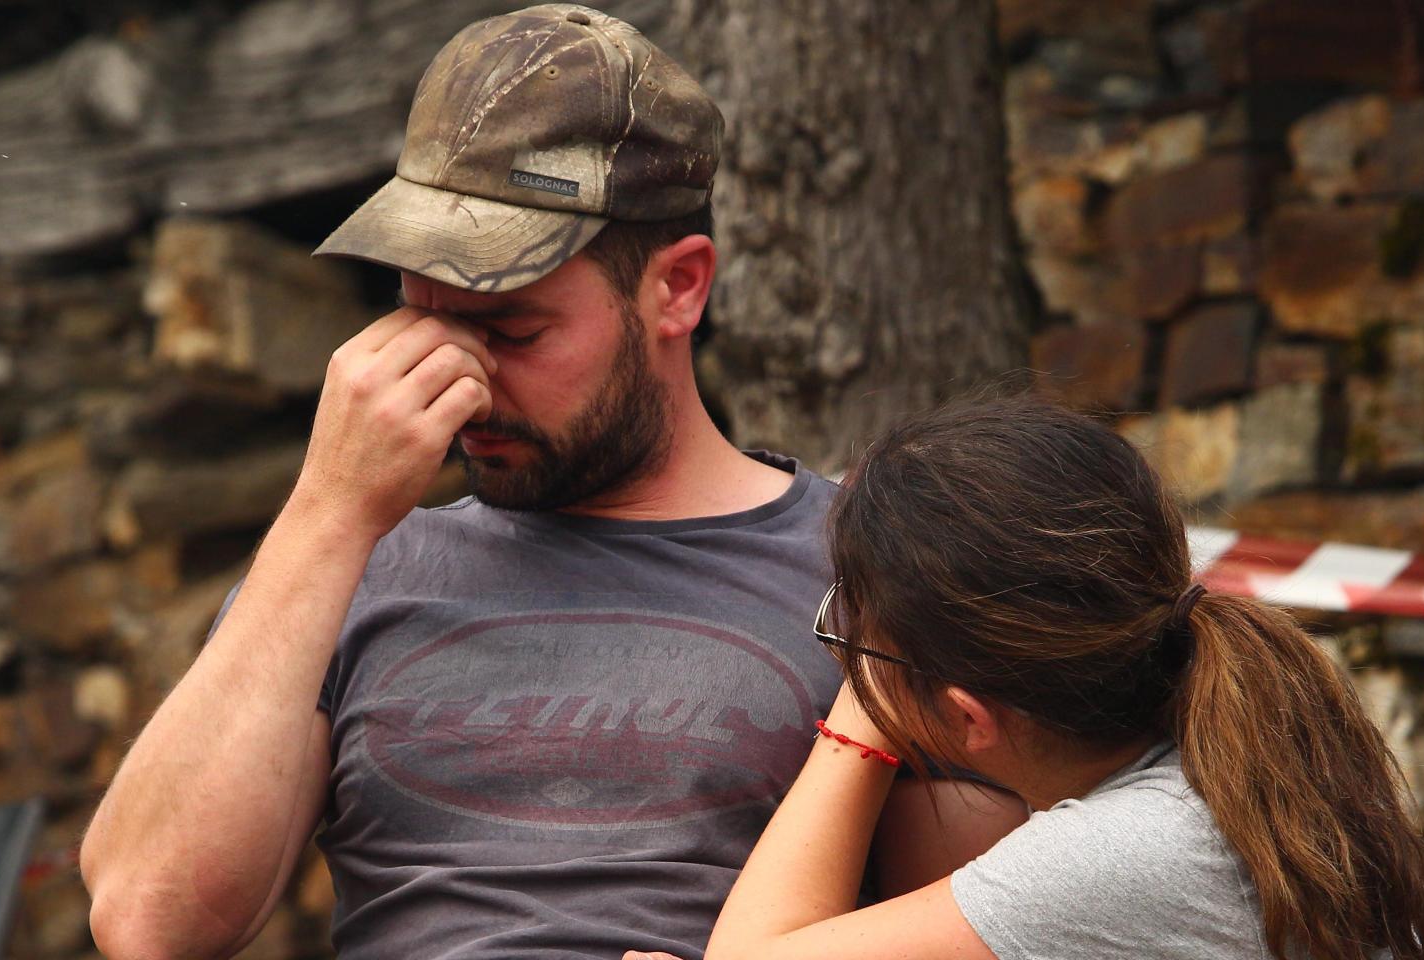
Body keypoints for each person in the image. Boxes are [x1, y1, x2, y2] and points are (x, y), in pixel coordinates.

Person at [80, 6, 1023, 960]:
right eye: (424, 320)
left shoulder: (863, 573)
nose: (461, 380)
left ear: (679, 288)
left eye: (513, 331)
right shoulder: (346, 562)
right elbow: (148, 922)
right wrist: (327, 511)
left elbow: (1004, 922)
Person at [696, 397, 1424, 960]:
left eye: (854, 634)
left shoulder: (1127, 855)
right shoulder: (1258, 759)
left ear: (970, 720)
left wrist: (862, 710)